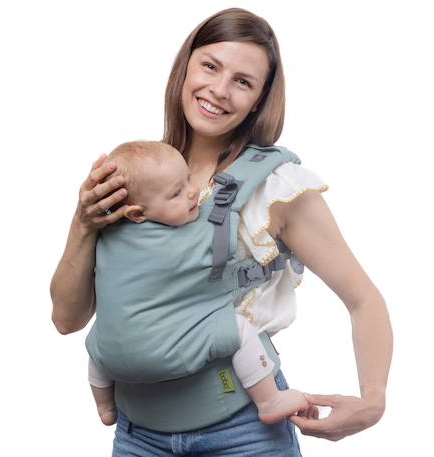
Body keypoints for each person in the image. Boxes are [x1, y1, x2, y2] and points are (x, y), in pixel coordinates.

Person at [51, 7, 393, 455]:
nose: (219, 90)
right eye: (210, 66)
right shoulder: (135, 177)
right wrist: (83, 224)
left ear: (259, 100)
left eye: (243, 81)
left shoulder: (276, 187)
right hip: (139, 435)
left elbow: (363, 299)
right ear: (185, 66)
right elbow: (67, 320)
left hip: (243, 431)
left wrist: (373, 402)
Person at [87, 140, 312, 427]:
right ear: (137, 214)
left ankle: (105, 407)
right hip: (165, 354)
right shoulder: (194, 238)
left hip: (111, 360)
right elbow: (234, 199)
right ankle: (269, 401)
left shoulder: (107, 234)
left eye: (188, 180)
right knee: (239, 329)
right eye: (176, 193)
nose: (193, 192)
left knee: (99, 336)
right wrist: (276, 157)